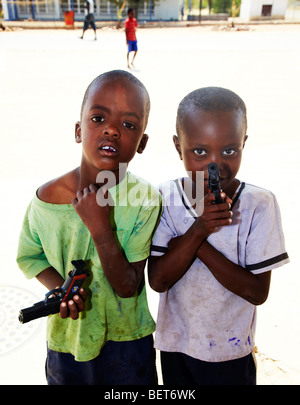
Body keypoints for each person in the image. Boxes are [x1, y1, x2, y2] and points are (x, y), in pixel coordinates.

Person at [17, 70, 162, 385]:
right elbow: (32, 256)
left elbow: (127, 286)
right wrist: (63, 290)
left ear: (142, 142)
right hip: (67, 342)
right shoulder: (47, 199)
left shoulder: (145, 200)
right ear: (78, 130)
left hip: (128, 343)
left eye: (128, 125)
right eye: (98, 118)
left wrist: (100, 227)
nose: (111, 130)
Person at [148, 86, 289, 385]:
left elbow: (257, 292)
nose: (215, 164)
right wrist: (199, 229)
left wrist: (196, 242)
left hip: (231, 353)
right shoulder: (166, 197)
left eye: (229, 150)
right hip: (176, 347)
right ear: (178, 146)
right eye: (199, 151)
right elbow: (158, 280)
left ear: (243, 144)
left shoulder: (259, 205)